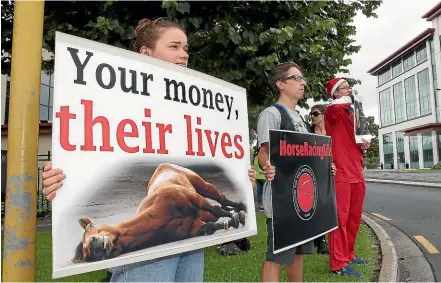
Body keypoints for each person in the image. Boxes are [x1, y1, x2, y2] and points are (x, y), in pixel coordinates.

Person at [41, 17, 257, 282]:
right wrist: (61, 181)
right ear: (146, 52)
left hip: (188, 241)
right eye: (174, 46)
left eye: (186, 48)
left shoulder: (195, 110)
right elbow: (86, 150)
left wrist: (242, 176)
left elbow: (213, 150)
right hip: (145, 255)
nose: (183, 55)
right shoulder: (113, 100)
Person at [256, 62, 336, 282]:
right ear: (281, 84)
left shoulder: (300, 117)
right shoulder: (271, 114)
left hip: (302, 200)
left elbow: (306, 155)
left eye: (303, 79)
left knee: (299, 253)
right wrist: (267, 166)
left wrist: (324, 167)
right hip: (282, 202)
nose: (303, 83)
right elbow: (264, 152)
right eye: (297, 78)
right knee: (276, 256)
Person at [324, 78, 371, 279]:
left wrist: (364, 143)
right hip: (341, 173)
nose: (349, 90)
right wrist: (352, 98)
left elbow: (356, 139)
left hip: (357, 172)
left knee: (353, 218)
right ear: (335, 93)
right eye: (344, 88)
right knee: (339, 220)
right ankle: (338, 262)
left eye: (349, 87)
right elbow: (337, 105)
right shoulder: (332, 110)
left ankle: (349, 255)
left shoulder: (353, 112)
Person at [309, 104, 329, 254]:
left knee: (328, 206)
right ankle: (320, 240)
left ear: (324, 114)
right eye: (311, 114)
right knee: (316, 205)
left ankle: (321, 238)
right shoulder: (308, 132)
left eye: (315, 114)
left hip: (330, 173)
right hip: (313, 173)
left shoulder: (332, 131)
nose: (312, 116)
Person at [252, 145, 265, 211]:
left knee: (259, 191)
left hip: (257, 177)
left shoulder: (255, 157)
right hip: (264, 177)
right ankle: (267, 205)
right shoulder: (263, 156)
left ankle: (260, 206)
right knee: (266, 192)